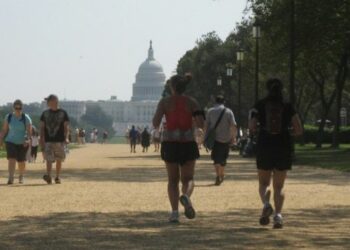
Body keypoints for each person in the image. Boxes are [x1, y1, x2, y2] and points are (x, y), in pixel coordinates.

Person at [249, 78, 303, 229]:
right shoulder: (288, 106)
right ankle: (278, 216)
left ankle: (266, 204)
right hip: (283, 146)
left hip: (265, 145)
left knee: (263, 183)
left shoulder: (259, 105)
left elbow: (252, 126)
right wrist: (288, 132)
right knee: (279, 186)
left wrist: (259, 128)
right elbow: (298, 129)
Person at [153, 74, 205, 223]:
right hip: (188, 142)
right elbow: (201, 123)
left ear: (172, 87)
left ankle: (175, 212)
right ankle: (186, 196)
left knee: (172, 180)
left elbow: (156, 121)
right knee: (188, 179)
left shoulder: (165, 102)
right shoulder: (192, 102)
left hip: (170, 143)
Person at [205, 95, 237, 186]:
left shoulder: (210, 111)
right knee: (223, 159)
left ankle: (218, 175)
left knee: (216, 159)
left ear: (215, 102)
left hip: (214, 140)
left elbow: (206, 125)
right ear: (224, 102)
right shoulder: (228, 111)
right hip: (226, 139)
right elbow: (233, 125)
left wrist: (205, 137)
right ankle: (221, 174)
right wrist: (233, 137)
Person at [0, 100, 32, 184]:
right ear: (13, 108)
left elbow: (29, 131)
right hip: (10, 141)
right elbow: (4, 130)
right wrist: (1, 139)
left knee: (21, 161)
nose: (18, 109)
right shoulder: (9, 117)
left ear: (22, 108)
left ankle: (21, 176)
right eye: (16, 107)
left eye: (19, 107)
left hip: (22, 142)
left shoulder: (26, 118)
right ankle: (11, 178)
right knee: (11, 159)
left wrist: (27, 139)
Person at [40, 94, 70, 184]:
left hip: (59, 140)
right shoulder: (45, 114)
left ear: (54, 102)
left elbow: (66, 127)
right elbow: (42, 127)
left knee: (59, 159)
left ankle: (57, 176)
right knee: (48, 159)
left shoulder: (63, 113)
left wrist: (67, 137)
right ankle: (48, 175)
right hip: (48, 140)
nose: (47, 103)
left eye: (49, 101)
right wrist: (41, 139)